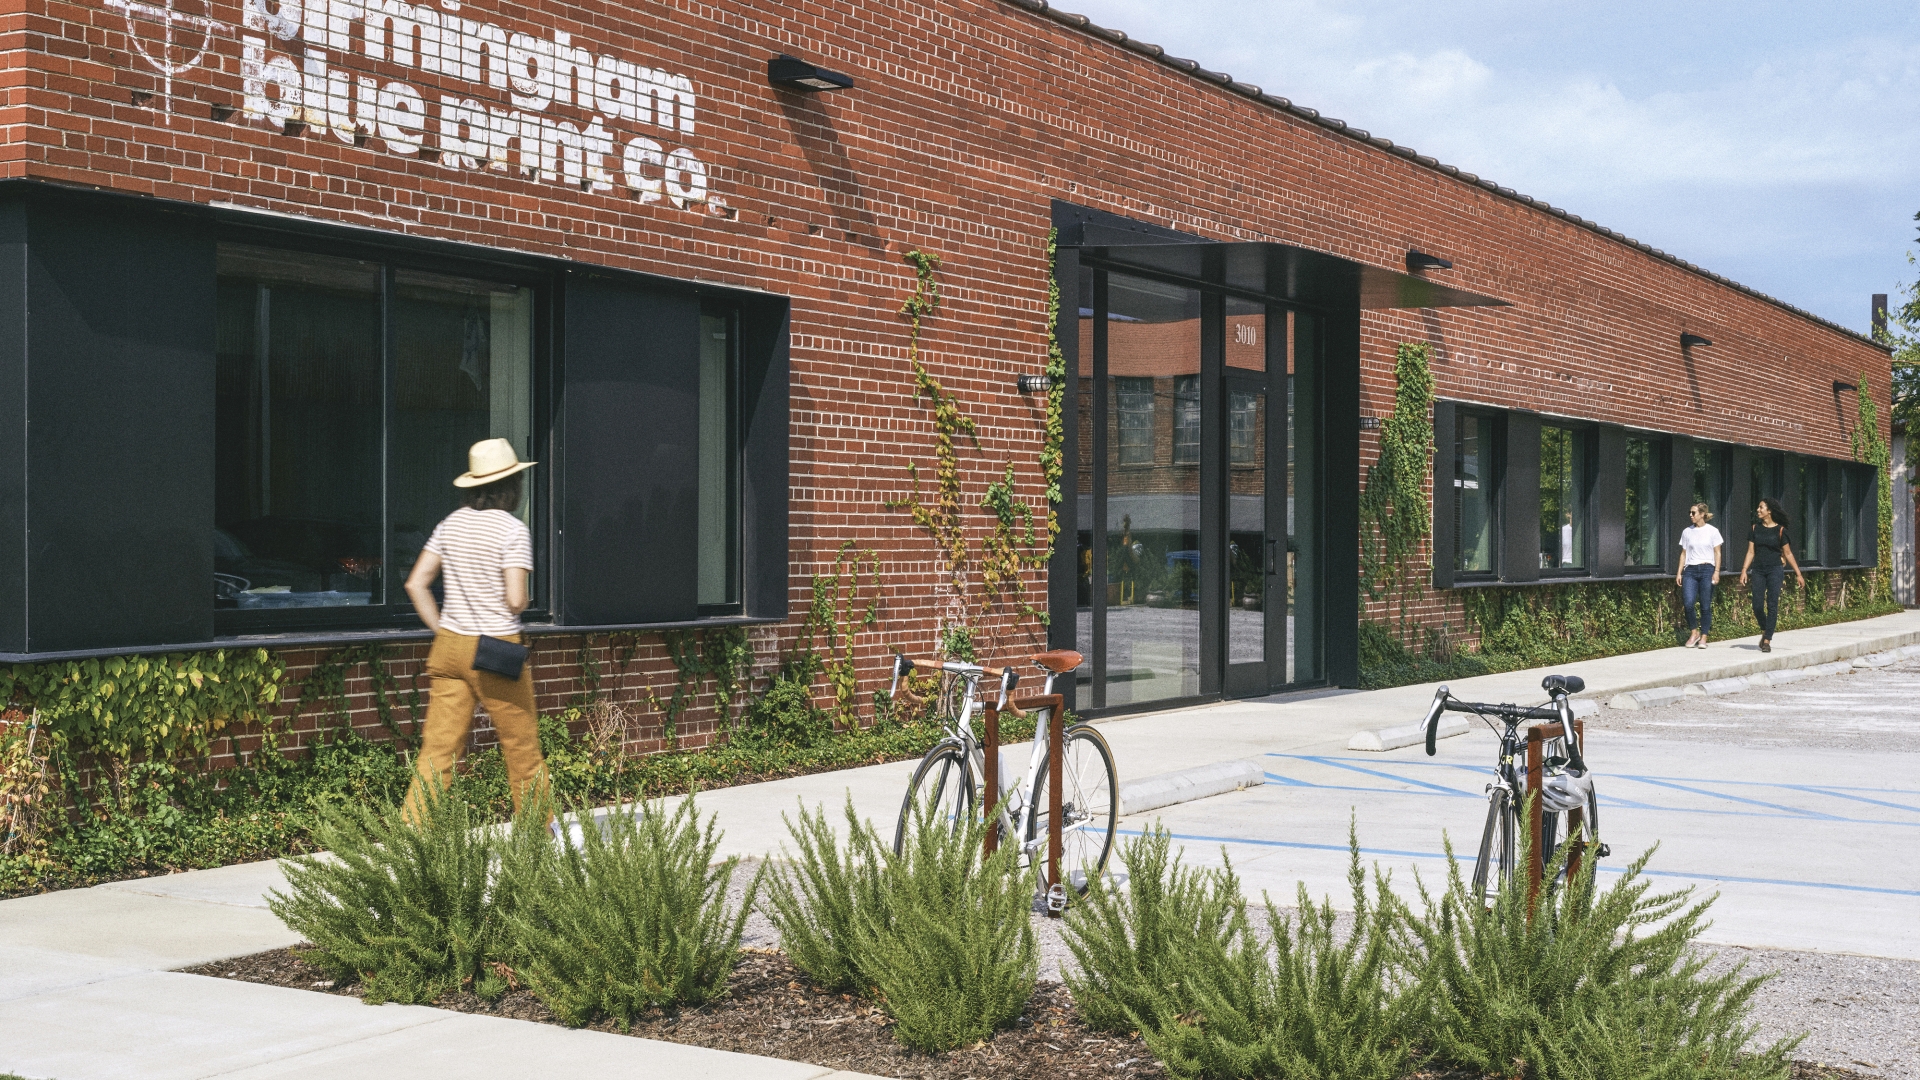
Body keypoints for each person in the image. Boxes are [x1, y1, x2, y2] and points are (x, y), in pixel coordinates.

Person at [400, 438, 547, 823]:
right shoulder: (512, 530)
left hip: (449, 647)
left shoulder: (450, 524)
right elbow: (516, 600)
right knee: (520, 747)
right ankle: (536, 834)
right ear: (511, 486)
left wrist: (443, 628)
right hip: (495, 649)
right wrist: (524, 599)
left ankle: (413, 835)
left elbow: (416, 584)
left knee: (438, 750)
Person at [1738, 497, 1805, 654]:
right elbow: (1750, 552)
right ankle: (1765, 629)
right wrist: (1744, 570)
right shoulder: (1755, 529)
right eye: (1758, 507)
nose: (1758, 510)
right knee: (1757, 605)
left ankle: (1767, 640)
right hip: (1759, 570)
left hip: (1775, 569)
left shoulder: (1780, 531)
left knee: (1772, 604)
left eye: (1761, 507)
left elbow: (1788, 554)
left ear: (1769, 511)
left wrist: (1798, 574)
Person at [1675, 503, 1723, 648]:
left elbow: (1717, 553)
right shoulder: (1687, 532)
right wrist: (1679, 572)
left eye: (1693, 512)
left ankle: (1704, 637)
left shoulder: (1712, 531)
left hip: (1707, 569)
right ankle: (1694, 632)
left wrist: (1716, 572)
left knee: (1705, 605)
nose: (1690, 515)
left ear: (1702, 514)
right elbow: (1683, 554)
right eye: (1690, 512)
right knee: (1688, 603)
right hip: (1690, 570)